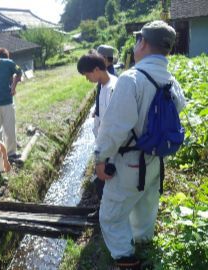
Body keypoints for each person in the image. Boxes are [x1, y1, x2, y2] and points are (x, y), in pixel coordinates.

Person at [94, 21, 186, 268]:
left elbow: (113, 128)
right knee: (145, 205)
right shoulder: (171, 80)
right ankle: (143, 243)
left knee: (111, 215)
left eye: (137, 40)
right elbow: (178, 110)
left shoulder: (131, 79)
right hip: (155, 159)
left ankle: (125, 257)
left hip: (128, 164)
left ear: (143, 42)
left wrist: (100, 159)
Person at [77, 52, 118, 217]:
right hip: (103, 143)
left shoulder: (114, 87)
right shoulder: (102, 86)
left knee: (104, 181)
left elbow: (114, 125)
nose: (87, 79)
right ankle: (104, 212)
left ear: (96, 69)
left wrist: (103, 155)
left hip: (110, 146)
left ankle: (107, 216)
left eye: (87, 75)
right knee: (102, 182)